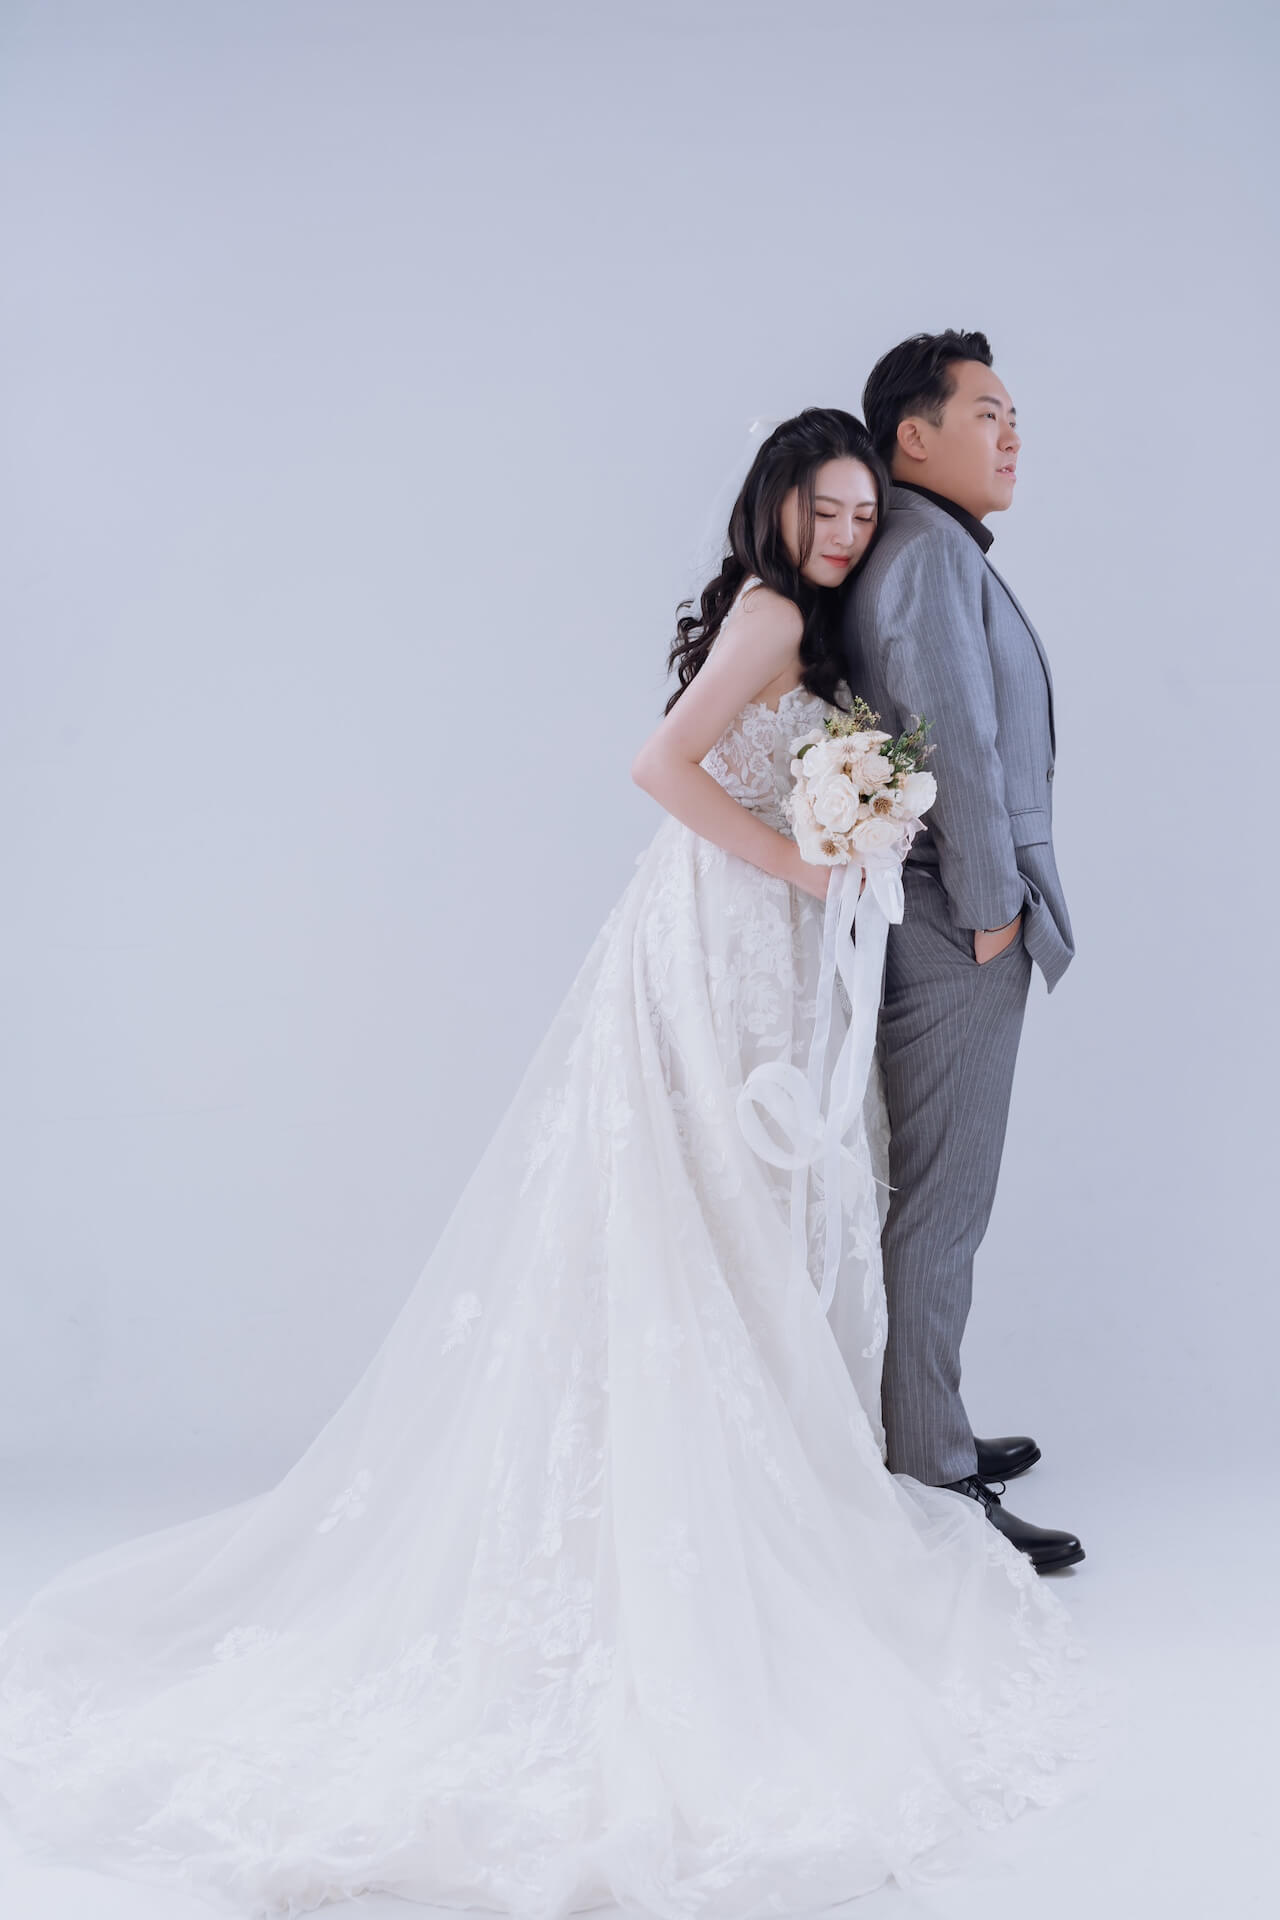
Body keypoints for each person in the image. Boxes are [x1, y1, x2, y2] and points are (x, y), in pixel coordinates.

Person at [0, 410, 1085, 1920]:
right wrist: (798, 856)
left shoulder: (804, 613)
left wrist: (836, 828)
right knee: (708, 1190)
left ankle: (764, 1438)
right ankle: (709, 1480)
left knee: (741, 1201)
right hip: (718, 930)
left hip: (761, 939)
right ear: (775, 506)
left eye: (858, 517)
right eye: (825, 512)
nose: (844, 537)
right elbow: (661, 764)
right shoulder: (772, 613)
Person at [843, 332, 1083, 1569]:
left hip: (942, 910)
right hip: (957, 918)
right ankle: (930, 1472)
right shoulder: (927, 552)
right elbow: (955, 742)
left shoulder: (919, 544)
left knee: (933, 1200)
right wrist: (993, 905)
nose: (1011, 436)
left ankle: (922, 1420)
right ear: (912, 436)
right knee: (940, 1208)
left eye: (1011, 415)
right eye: (987, 412)